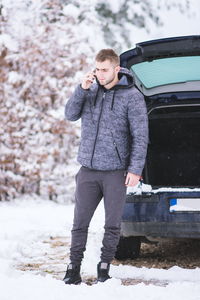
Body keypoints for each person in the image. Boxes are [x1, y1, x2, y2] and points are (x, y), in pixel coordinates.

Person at [63, 49, 148, 284]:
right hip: (88, 170)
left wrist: (135, 169)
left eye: (105, 70)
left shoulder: (132, 96)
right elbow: (70, 115)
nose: (100, 75)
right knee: (79, 223)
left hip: (115, 171)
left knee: (112, 225)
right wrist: (81, 89)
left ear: (117, 69)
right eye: (97, 69)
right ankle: (73, 268)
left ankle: (104, 267)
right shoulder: (88, 90)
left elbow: (140, 136)